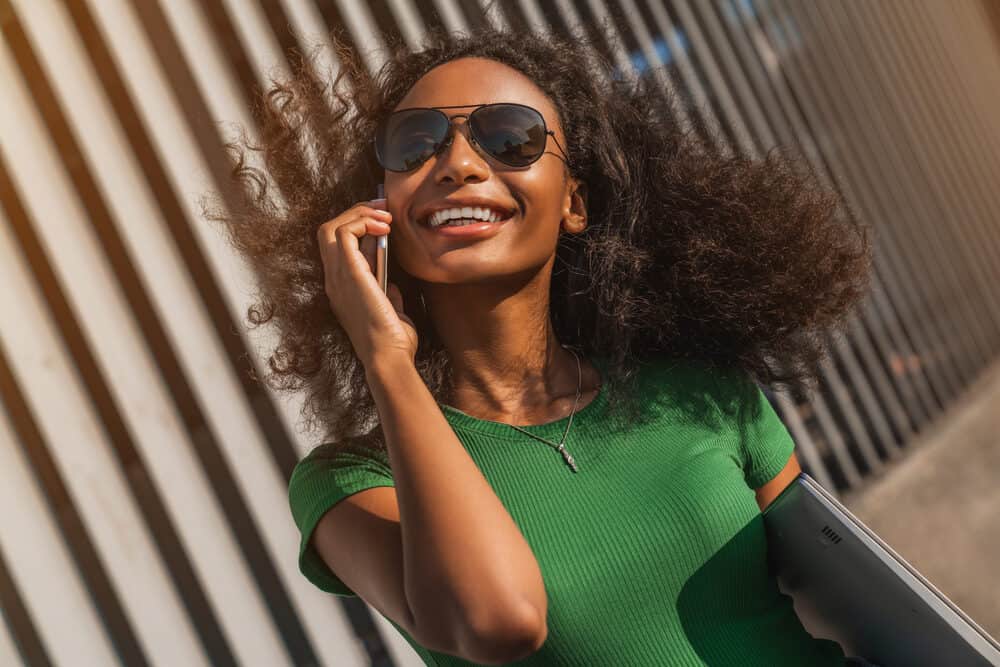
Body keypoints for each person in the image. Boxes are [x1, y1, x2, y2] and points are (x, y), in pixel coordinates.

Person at [205, 23, 875, 667]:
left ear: (573, 203)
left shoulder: (701, 392)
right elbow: (499, 621)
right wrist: (386, 358)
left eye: (510, 138)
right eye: (416, 145)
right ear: (380, 212)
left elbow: (871, 602)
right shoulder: (353, 484)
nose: (459, 164)